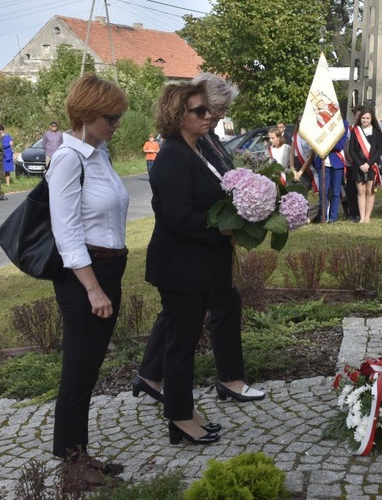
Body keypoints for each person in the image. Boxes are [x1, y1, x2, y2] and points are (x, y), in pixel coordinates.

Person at [142, 81, 263, 448]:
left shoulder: (195, 149)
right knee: (180, 346)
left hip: (200, 264)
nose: (208, 115)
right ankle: (180, 418)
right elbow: (178, 217)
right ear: (177, 115)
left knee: (185, 342)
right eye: (199, 111)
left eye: (207, 110)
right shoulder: (173, 155)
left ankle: (185, 412)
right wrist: (224, 228)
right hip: (180, 267)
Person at [46, 73, 129, 488]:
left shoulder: (100, 155)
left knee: (89, 369)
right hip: (84, 276)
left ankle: (80, 454)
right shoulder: (68, 158)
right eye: (110, 118)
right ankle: (71, 469)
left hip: (109, 268)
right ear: (88, 114)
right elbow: (67, 232)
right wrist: (93, 287)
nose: (116, 125)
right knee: (77, 372)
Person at [347, 106, 382, 223]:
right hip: (358, 167)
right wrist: (359, 164)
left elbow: (379, 150)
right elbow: (351, 150)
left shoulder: (377, 132)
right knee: (361, 192)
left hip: (371, 166)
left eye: (367, 118)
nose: (365, 120)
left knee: (370, 191)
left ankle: (367, 217)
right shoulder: (355, 130)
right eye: (363, 118)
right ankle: (362, 217)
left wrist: (368, 163)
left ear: (372, 119)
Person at [313, 121, 349, 223]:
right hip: (323, 162)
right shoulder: (320, 122)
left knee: (335, 192)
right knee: (323, 192)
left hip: (337, 163)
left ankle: (333, 217)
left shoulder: (342, 123)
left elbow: (340, 145)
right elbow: (316, 141)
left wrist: (326, 142)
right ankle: (323, 217)